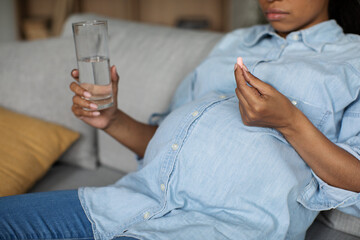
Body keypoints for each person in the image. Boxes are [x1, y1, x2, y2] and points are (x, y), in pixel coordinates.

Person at [1, 0, 360, 239]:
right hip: (125, 201)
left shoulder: (352, 59)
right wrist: (111, 119)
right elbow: (166, 141)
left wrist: (290, 122)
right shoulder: (236, 42)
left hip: (220, 227)